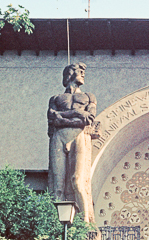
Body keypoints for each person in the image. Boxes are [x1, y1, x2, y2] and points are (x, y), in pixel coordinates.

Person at [47, 62, 97, 223]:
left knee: (77, 181)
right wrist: (76, 114)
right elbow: (53, 120)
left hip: (79, 137)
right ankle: (54, 225)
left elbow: (88, 119)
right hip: (59, 138)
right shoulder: (56, 98)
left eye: (83, 71)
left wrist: (63, 116)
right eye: (78, 70)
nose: (82, 73)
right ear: (69, 74)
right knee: (57, 186)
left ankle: (86, 224)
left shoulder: (89, 97)